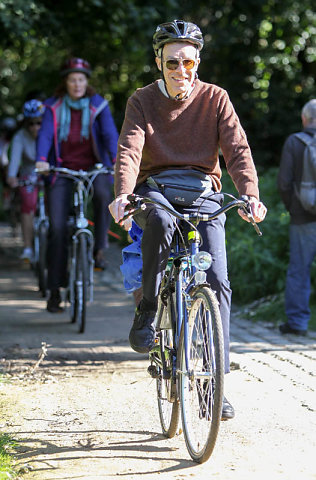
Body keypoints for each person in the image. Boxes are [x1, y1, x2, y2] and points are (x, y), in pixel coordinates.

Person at [109, 20, 267, 420]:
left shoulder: (215, 98)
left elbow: (237, 148)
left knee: (217, 281)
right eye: (173, 62)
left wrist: (250, 194)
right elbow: (129, 149)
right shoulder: (142, 101)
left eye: (189, 63)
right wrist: (123, 195)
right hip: (155, 189)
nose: (182, 71)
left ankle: (215, 387)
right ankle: (148, 307)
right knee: (158, 224)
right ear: (159, 61)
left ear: (198, 62)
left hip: (203, 193)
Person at [36, 57, 119, 313]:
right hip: (61, 170)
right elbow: (46, 134)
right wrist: (41, 160)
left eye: (81, 79)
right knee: (58, 228)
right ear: (66, 82)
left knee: (105, 193)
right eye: (72, 79)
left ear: (87, 82)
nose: (77, 84)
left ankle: (99, 251)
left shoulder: (98, 105)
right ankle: (54, 290)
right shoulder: (53, 106)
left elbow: (109, 134)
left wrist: (115, 160)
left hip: (94, 168)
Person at [277, 99, 316, 336]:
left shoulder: (294, 142)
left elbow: (284, 182)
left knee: (299, 270)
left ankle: (298, 323)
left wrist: (294, 208)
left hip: (302, 219)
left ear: (304, 118)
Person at [7, 100, 45, 261]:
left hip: (49, 174)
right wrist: (12, 176)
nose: (35, 127)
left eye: (39, 123)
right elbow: (14, 160)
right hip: (28, 175)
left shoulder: (52, 132)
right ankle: (28, 246)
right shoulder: (20, 137)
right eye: (31, 124)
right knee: (28, 204)